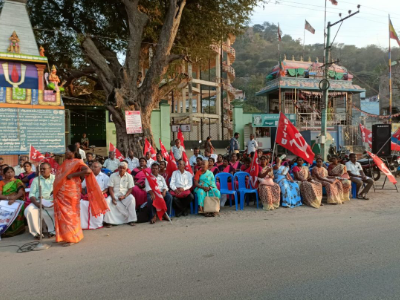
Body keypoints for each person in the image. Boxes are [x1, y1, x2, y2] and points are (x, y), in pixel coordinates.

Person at [53, 144, 107, 246]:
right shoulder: (65, 162)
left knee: (71, 215)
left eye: (67, 151)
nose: (65, 152)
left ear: (73, 152)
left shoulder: (78, 162)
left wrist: (72, 175)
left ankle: (73, 238)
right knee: (62, 215)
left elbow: (88, 171)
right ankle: (64, 237)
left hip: (71, 193)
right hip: (61, 193)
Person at [25, 162, 56, 239]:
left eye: (44, 169)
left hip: (51, 201)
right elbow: (31, 194)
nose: (42, 170)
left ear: (50, 169)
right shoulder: (36, 180)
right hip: (38, 201)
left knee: (53, 209)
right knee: (29, 210)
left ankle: (52, 231)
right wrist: (36, 203)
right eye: (40, 169)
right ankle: (37, 233)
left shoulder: (55, 178)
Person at [104, 162, 137, 227]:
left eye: (123, 168)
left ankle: (131, 220)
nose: (121, 169)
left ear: (126, 169)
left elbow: (130, 189)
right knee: (107, 201)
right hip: (114, 194)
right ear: (118, 168)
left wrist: (125, 196)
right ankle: (109, 222)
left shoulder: (129, 176)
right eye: (120, 168)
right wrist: (113, 198)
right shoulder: (113, 175)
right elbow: (110, 188)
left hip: (125, 195)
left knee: (132, 199)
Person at [80, 162, 110, 230]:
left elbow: (107, 188)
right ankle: (84, 224)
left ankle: (97, 223)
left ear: (100, 168)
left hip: (101, 194)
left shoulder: (105, 177)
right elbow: (81, 186)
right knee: (82, 203)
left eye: (95, 167)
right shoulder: (88, 176)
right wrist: (84, 193)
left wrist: (101, 193)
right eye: (92, 167)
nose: (93, 168)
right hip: (90, 195)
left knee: (99, 203)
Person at [0, 167, 25, 237]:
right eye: (8, 172)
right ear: (4, 174)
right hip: (4, 201)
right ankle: (4, 230)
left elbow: (20, 193)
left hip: (17, 200)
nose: (10, 174)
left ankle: (17, 229)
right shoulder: (1, 182)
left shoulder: (17, 181)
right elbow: (0, 195)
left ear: (14, 172)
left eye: (11, 172)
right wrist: (9, 198)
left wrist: (13, 199)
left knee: (18, 208)